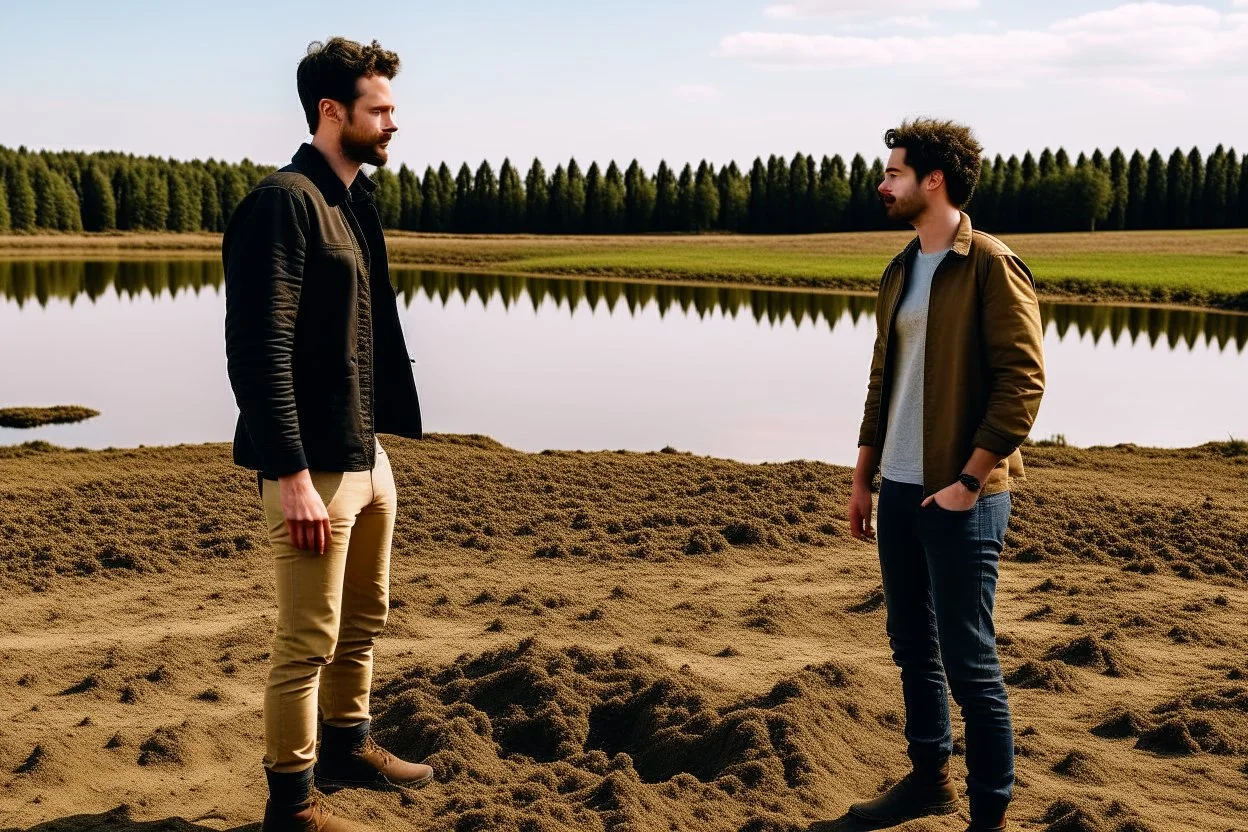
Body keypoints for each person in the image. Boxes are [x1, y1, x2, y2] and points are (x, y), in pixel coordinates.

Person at [223, 37, 431, 832]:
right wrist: (291, 475)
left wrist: (375, 450)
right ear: (331, 111)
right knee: (307, 639)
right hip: (312, 469)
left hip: (364, 454)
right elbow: (258, 349)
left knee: (363, 619)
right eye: (380, 110)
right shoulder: (284, 202)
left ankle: (349, 747)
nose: (393, 123)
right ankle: (292, 805)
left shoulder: (351, 199)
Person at [846, 118, 1045, 832]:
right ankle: (930, 780)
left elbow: (1022, 384)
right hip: (899, 488)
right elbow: (882, 378)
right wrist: (864, 475)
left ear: (933, 180)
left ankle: (988, 817)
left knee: (969, 660)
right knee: (911, 645)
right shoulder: (901, 268)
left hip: (963, 495)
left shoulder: (991, 264)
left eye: (894, 171)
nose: (883, 183)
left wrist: (969, 481)